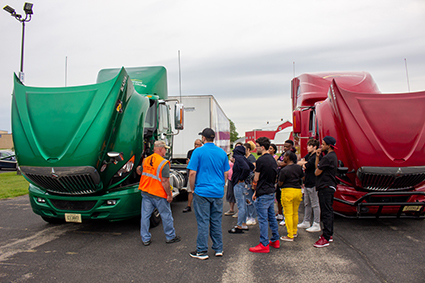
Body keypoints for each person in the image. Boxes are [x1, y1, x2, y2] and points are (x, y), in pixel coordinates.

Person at [188, 128, 230, 260]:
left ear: (203, 138)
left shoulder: (198, 151)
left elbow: (192, 173)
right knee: (216, 221)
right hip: (217, 192)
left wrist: (193, 188)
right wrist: (220, 185)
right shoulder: (222, 153)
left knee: (203, 221)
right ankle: (218, 249)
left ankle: (202, 251)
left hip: (202, 191)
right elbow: (226, 173)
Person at [137, 140, 181, 246]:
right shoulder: (163, 163)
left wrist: (138, 168)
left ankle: (145, 239)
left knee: (145, 216)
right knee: (166, 216)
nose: (165, 151)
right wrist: (169, 195)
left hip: (146, 192)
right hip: (159, 194)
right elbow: (165, 181)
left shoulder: (146, 160)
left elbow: (140, 171)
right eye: (165, 149)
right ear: (161, 149)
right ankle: (170, 236)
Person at [249, 137, 280, 253]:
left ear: (262, 147)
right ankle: (275, 240)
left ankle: (264, 243)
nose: (255, 148)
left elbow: (256, 178)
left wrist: (255, 190)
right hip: (271, 191)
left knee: (262, 219)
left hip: (262, 192)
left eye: (257, 146)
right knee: (271, 217)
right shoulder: (273, 160)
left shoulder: (261, 160)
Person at [314, 136, 338, 248]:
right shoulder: (331, 156)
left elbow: (316, 172)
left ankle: (326, 237)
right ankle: (329, 233)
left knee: (326, 212)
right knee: (328, 210)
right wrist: (318, 157)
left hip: (325, 187)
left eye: (323, 144)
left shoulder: (328, 157)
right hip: (329, 186)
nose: (321, 146)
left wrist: (319, 159)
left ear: (329, 145)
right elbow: (317, 168)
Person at [278, 150, 304, 241]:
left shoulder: (284, 170)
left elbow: (280, 183)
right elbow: (303, 177)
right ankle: (294, 231)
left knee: (288, 214)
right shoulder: (298, 168)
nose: (283, 158)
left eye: (284, 156)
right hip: (297, 191)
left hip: (287, 191)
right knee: (295, 213)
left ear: (288, 158)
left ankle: (290, 235)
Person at [297, 139, 321, 232]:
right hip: (307, 182)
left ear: (314, 147)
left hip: (313, 182)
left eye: (309, 145)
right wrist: (304, 163)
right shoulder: (309, 155)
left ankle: (316, 223)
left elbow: (307, 165)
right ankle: (306, 221)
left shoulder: (316, 156)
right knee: (307, 203)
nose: (307, 147)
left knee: (315, 203)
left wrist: (304, 164)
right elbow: (300, 162)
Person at [228, 145, 254, 233]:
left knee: (240, 205)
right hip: (243, 184)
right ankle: (243, 224)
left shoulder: (238, 159)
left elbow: (246, 168)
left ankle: (239, 226)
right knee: (243, 204)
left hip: (239, 183)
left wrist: (241, 178)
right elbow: (251, 167)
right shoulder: (243, 158)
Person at [275, 140, 296, 225]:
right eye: (284, 146)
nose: (285, 148)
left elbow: (284, 163)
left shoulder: (292, 155)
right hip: (280, 177)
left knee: (286, 201)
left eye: (287, 146)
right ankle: (280, 214)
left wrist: (279, 163)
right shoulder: (283, 154)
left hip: (287, 180)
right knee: (279, 197)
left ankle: (286, 217)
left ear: (292, 146)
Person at [183, 139, 203, 213]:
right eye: (195, 144)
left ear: (201, 145)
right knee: (190, 190)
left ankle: (200, 207)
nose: (195, 146)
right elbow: (188, 163)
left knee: (200, 191)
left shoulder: (202, 152)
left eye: (197, 144)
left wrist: (191, 163)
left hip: (200, 174)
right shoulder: (190, 152)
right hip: (192, 173)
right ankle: (189, 206)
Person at [244, 141, 257, 225]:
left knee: (250, 199)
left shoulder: (251, 158)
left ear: (248, 149)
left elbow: (253, 169)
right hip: (246, 181)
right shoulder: (245, 157)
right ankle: (248, 216)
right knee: (246, 199)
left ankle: (252, 217)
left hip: (250, 181)